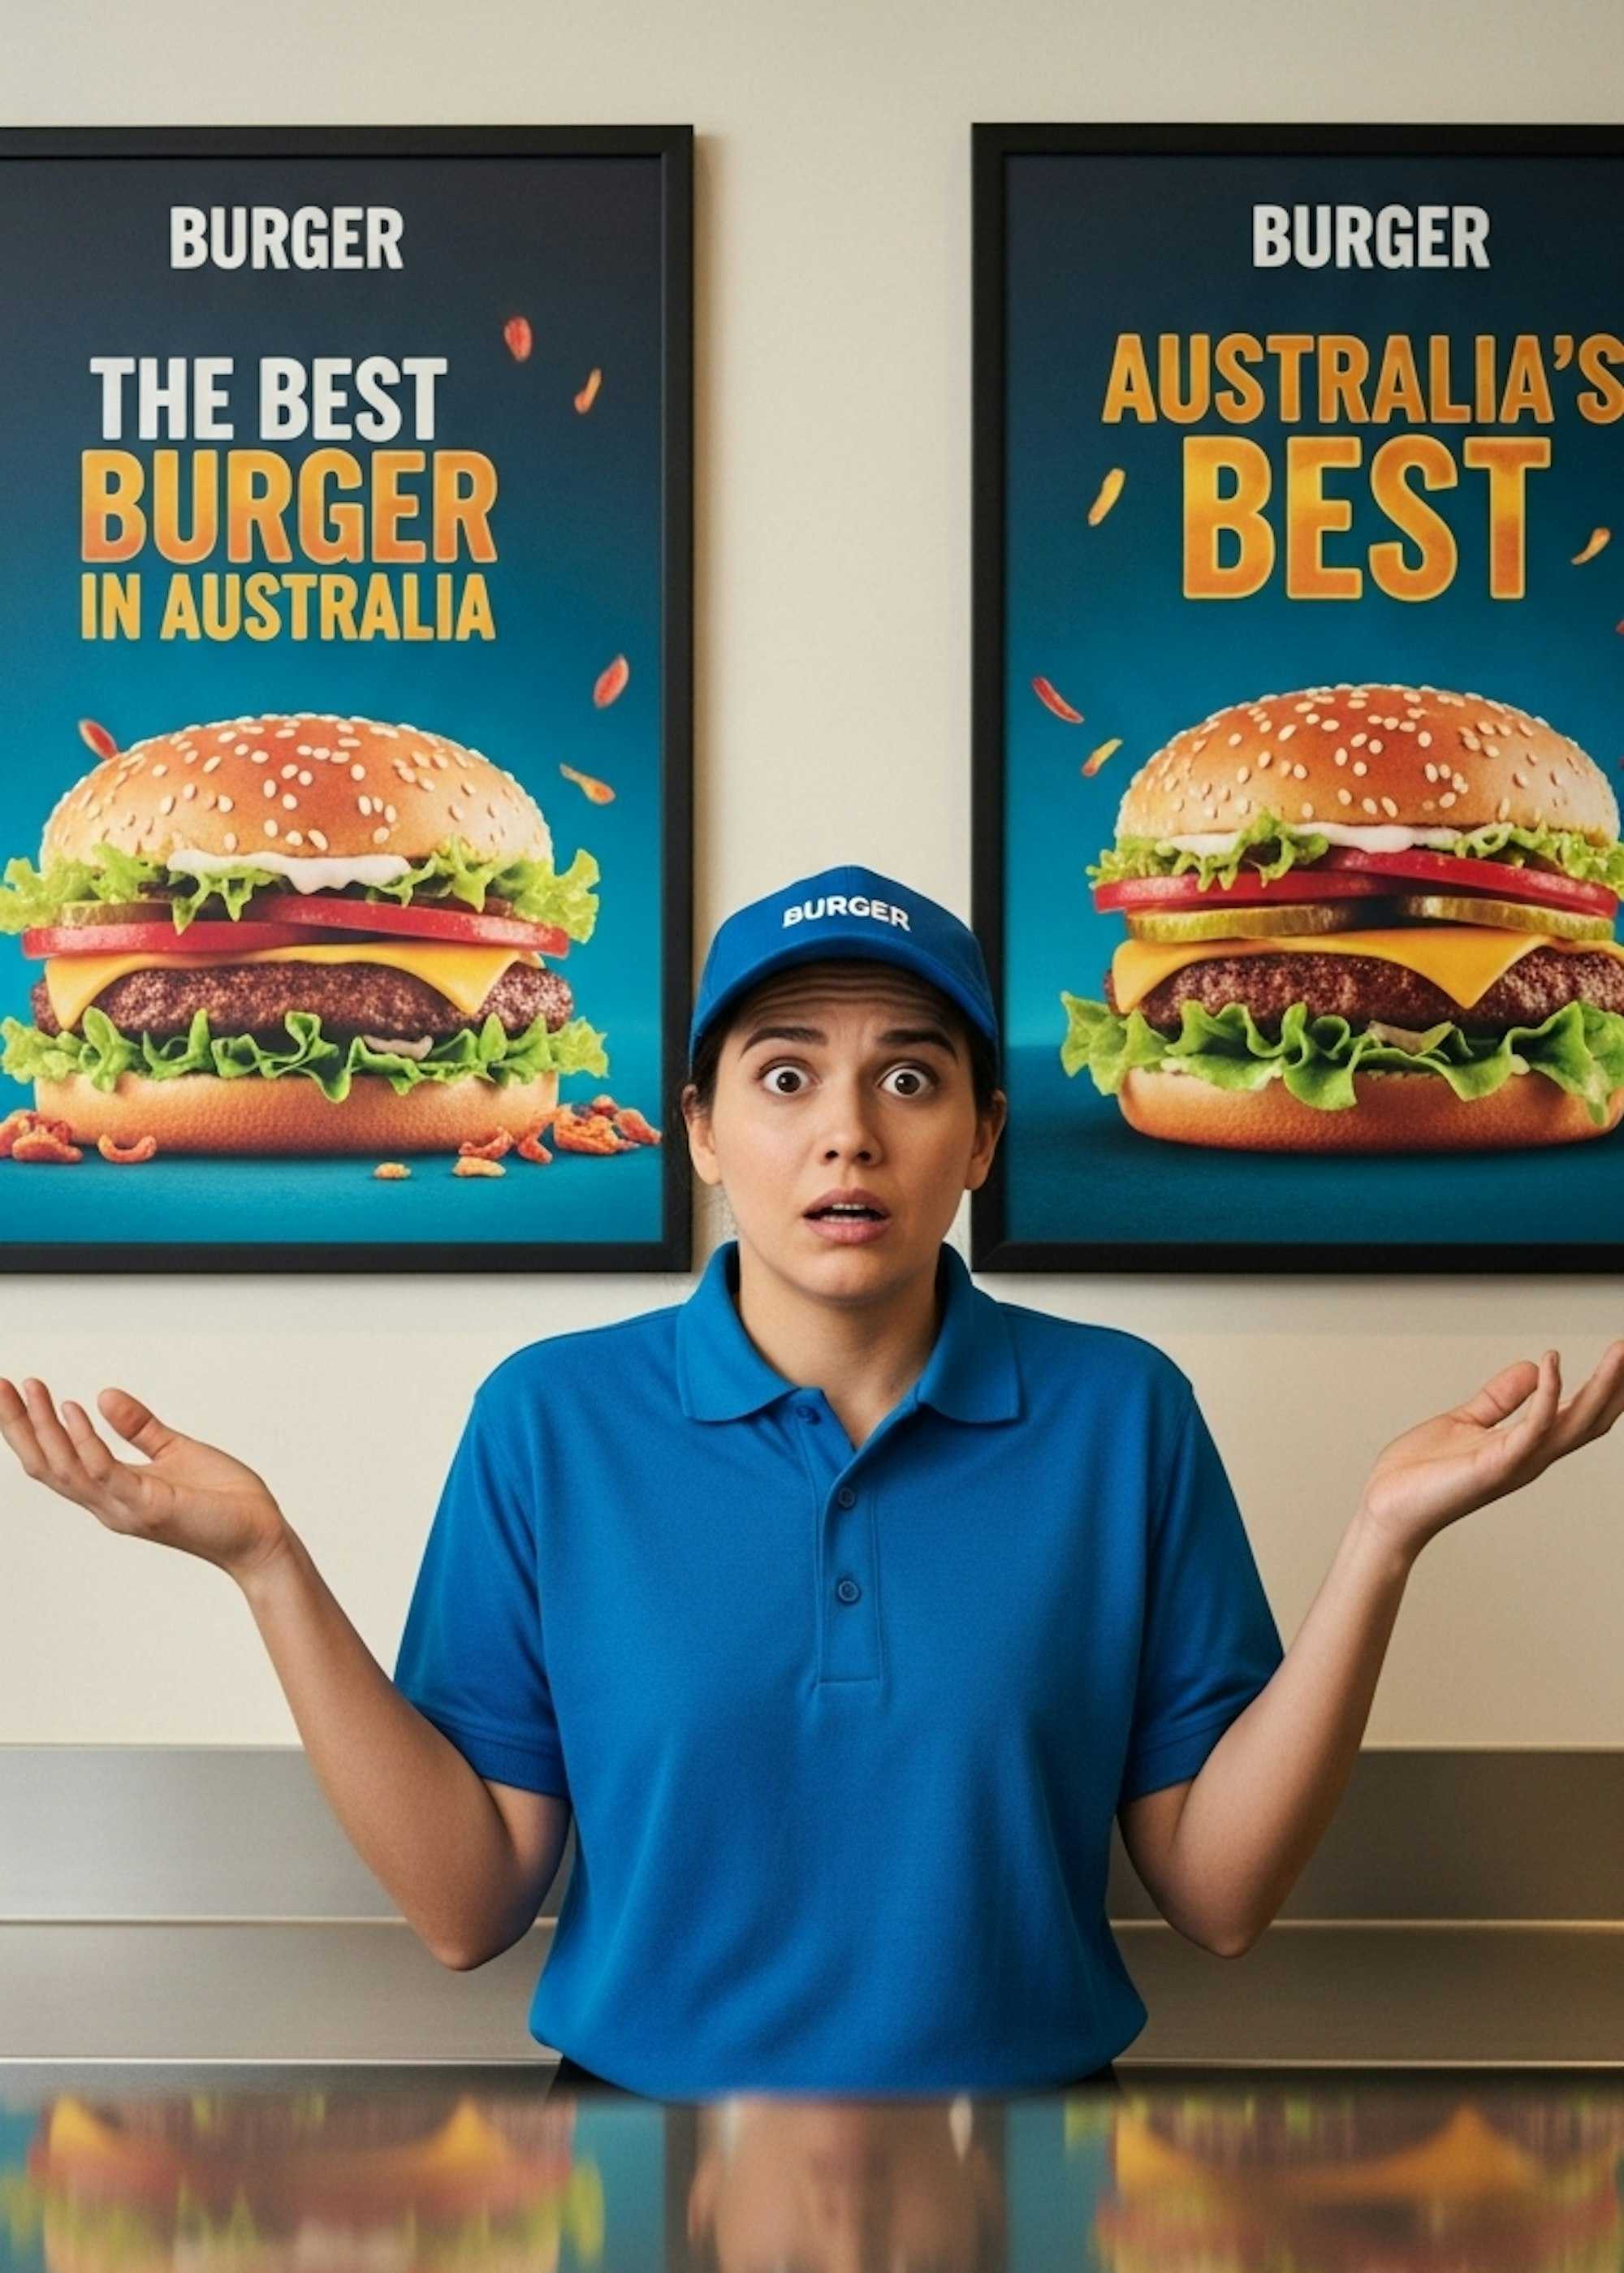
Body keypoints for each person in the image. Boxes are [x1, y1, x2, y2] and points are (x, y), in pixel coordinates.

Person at [3, 861, 1622, 2102]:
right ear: (701, 1126)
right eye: (785, 1075)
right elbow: (463, 1902)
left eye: (909, 1076)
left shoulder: (1123, 1413)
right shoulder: (549, 1420)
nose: (847, 1132)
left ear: (984, 1131)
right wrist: (267, 1561)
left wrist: (1382, 1543)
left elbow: (1216, 1893)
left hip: (1035, 2154)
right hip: (642, 2158)